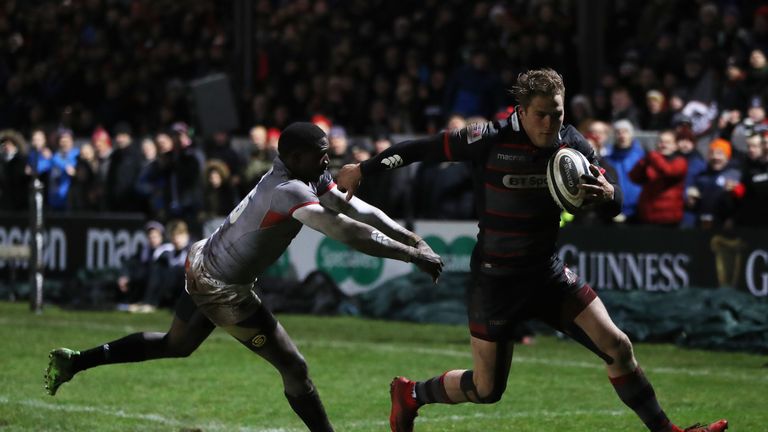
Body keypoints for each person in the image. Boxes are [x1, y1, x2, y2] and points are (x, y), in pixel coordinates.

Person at [336, 68, 727, 432]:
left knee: (618, 346)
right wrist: (364, 169)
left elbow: (615, 201)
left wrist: (609, 194)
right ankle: (412, 394)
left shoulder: (571, 144)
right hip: (496, 282)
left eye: (556, 114)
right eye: (541, 114)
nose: (549, 123)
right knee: (488, 389)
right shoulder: (486, 138)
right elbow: (421, 149)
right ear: (521, 110)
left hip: (546, 274)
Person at [44, 122, 444, 432]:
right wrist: (410, 255)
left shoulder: (302, 176)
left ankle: (78, 362)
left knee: (176, 345)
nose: (328, 161)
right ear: (297, 156)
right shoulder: (287, 190)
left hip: (204, 261)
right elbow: (344, 229)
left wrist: (412, 239)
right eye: (321, 155)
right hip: (221, 289)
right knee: (295, 368)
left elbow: (359, 210)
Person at [629, 130, 688, 226]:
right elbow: (633, 177)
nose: (663, 145)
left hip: (669, 220)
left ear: (675, 146)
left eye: (668, 142)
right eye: (661, 142)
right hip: (647, 216)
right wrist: (643, 163)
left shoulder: (680, 161)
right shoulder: (651, 160)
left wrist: (654, 156)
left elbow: (669, 172)